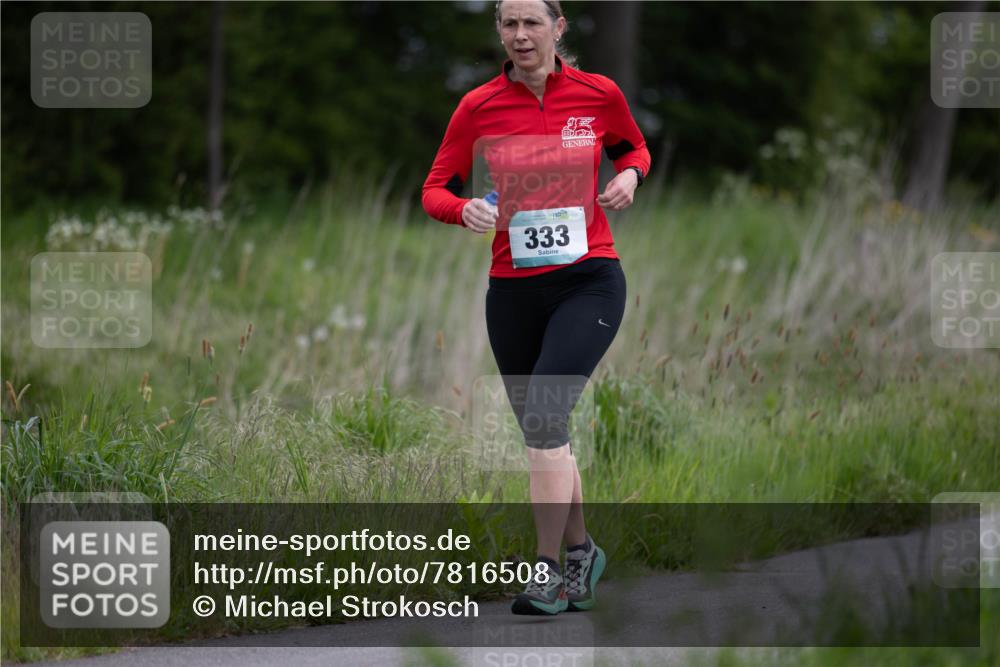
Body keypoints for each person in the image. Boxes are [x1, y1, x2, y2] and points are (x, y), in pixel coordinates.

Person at [422, 0, 650, 615]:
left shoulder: (597, 94)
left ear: (558, 29)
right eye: (508, 23)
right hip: (514, 289)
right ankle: (583, 555)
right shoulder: (478, 106)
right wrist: (462, 208)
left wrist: (629, 177)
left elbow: (634, 149)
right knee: (544, 433)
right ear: (499, 30)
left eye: (532, 22)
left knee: (546, 418)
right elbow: (434, 189)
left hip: (590, 280)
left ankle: (546, 570)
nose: (520, 35)